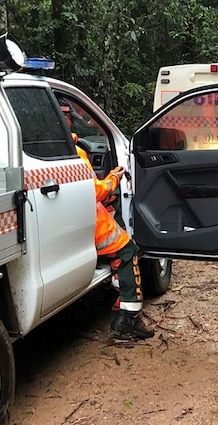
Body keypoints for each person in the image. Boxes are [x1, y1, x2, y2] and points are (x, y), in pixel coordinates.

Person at [60, 99, 154, 340]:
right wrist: (113, 178)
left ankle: (119, 294)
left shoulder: (56, 149)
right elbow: (95, 193)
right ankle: (128, 317)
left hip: (66, 219)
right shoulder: (75, 153)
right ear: (67, 120)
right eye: (71, 117)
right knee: (127, 251)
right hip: (87, 219)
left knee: (116, 217)